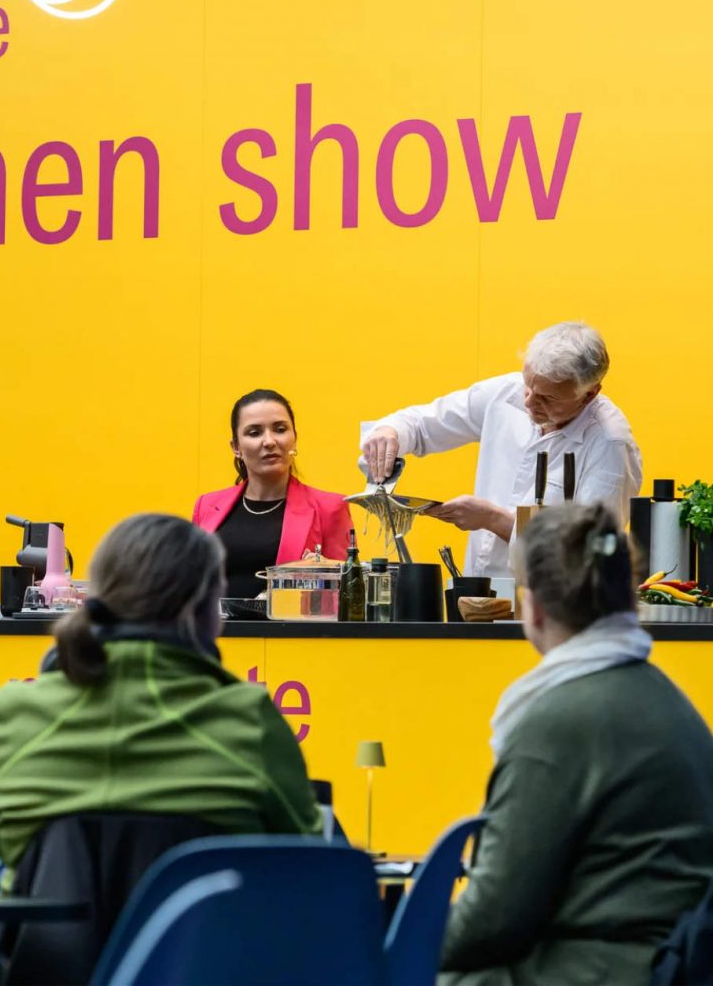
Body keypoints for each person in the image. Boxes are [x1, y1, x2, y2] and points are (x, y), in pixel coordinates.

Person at [439, 503, 713, 985]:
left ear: (536, 608)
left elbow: (495, 918)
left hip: (598, 968)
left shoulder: (553, 722)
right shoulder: (669, 702)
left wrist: (388, 941)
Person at [0, 513, 321, 877]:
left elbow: (2, 841)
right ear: (204, 611)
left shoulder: (15, 712)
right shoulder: (250, 720)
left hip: (44, 931)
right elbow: (308, 853)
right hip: (207, 932)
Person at [360, 322, 642, 577]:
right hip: (477, 596)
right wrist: (390, 433)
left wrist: (494, 520)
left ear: (590, 393)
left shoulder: (610, 444)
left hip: (555, 610)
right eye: (528, 387)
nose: (529, 402)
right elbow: (422, 424)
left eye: (547, 398)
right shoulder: (505, 392)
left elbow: (590, 552)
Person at [193, 389, 354, 598]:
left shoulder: (330, 507)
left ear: (294, 438)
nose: (269, 441)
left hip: (292, 630)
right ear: (236, 447)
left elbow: (347, 594)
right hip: (216, 630)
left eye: (280, 429)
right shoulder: (206, 505)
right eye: (254, 432)